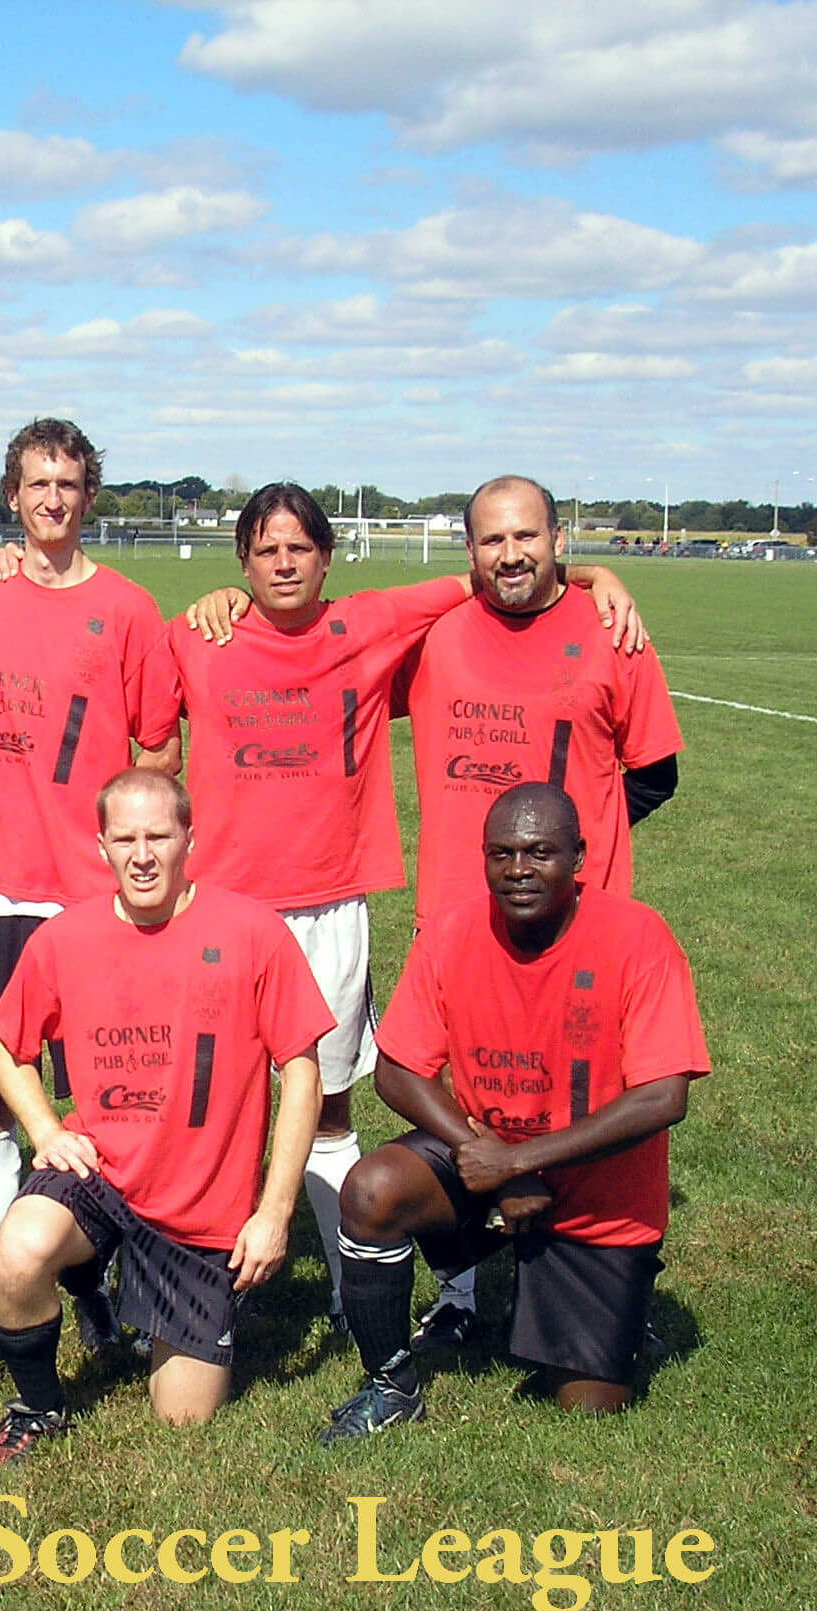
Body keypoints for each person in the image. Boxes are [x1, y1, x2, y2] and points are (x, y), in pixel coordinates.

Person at [164, 484, 645, 1339]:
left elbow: (495, 576)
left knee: (331, 1104)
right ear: (242, 561)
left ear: (327, 559)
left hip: (330, 906)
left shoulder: (370, 625)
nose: (283, 563)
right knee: (209, 1108)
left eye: (300, 548)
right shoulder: (198, 635)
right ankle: (187, 1281)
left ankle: (354, 1290)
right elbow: (143, 724)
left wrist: (593, 574)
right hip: (223, 911)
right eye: (265, 550)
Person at [321, 783, 709, 1443]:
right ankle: (391, 1386)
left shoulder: (638, 937)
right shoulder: (452, 931)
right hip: (483, 1162)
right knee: (372, 1189)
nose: (518, 870)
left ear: (578, 856)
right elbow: (397, 1071)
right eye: (500, 854)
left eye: (538, 852)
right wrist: (498, 1167)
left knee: (589, 1411)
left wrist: (518, 1161)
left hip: (599, 1194)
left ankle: (619, 1306)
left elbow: (662, 1097)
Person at [401, 476, 685, 1346]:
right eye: (492, 540)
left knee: (577, 1102)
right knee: (457, 1102)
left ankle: (589, 1277)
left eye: (527, 536)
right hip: (459, 921)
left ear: (559, 539)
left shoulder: (609, 631)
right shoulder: (436, 633)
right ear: (468, 550)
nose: (511, 554)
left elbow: (655, 773)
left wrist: (569, 858)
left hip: (577, 936)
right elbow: (321, 635)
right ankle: (458, 1295)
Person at [0, 770, 332, 1459]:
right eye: (125, 839)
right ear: (101, 846)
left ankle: (136, 1292)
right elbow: (3, 1041)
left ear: (189, 840)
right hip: (101, 1174)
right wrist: (45, 1128)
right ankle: (40, 1404)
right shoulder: (65, 938)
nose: (142, 856)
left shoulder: (251, 932)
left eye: (159, 837)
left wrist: (274, 1212)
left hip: (200, 1213)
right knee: (18, 1254)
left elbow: (302, 1070)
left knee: (182, 1421)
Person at [0, 417, 179, 1345]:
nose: (52, 500)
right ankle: (6, 1278)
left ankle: (111, 1277)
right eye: (37, 484)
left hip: (90, 894)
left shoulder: (128, 608)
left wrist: (124, 849)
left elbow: (159, 747)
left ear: (88, 495)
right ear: (12, 496)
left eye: (68, 484)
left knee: (112, 1098)